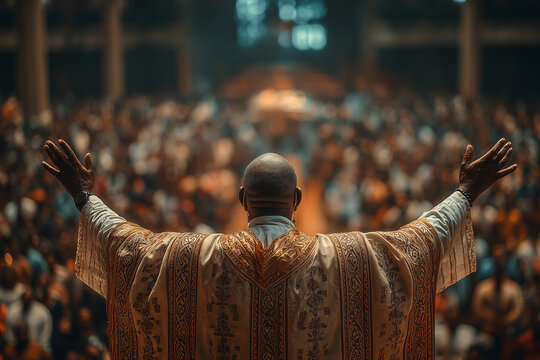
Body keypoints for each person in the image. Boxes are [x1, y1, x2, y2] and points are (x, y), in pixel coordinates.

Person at [41, 138, 517, 359]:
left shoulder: (189, 259)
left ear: (242, 200)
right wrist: (467, 193)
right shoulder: (350, 259)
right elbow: (420, 240)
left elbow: (125, 243)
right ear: (298, 202)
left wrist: (84, 196)